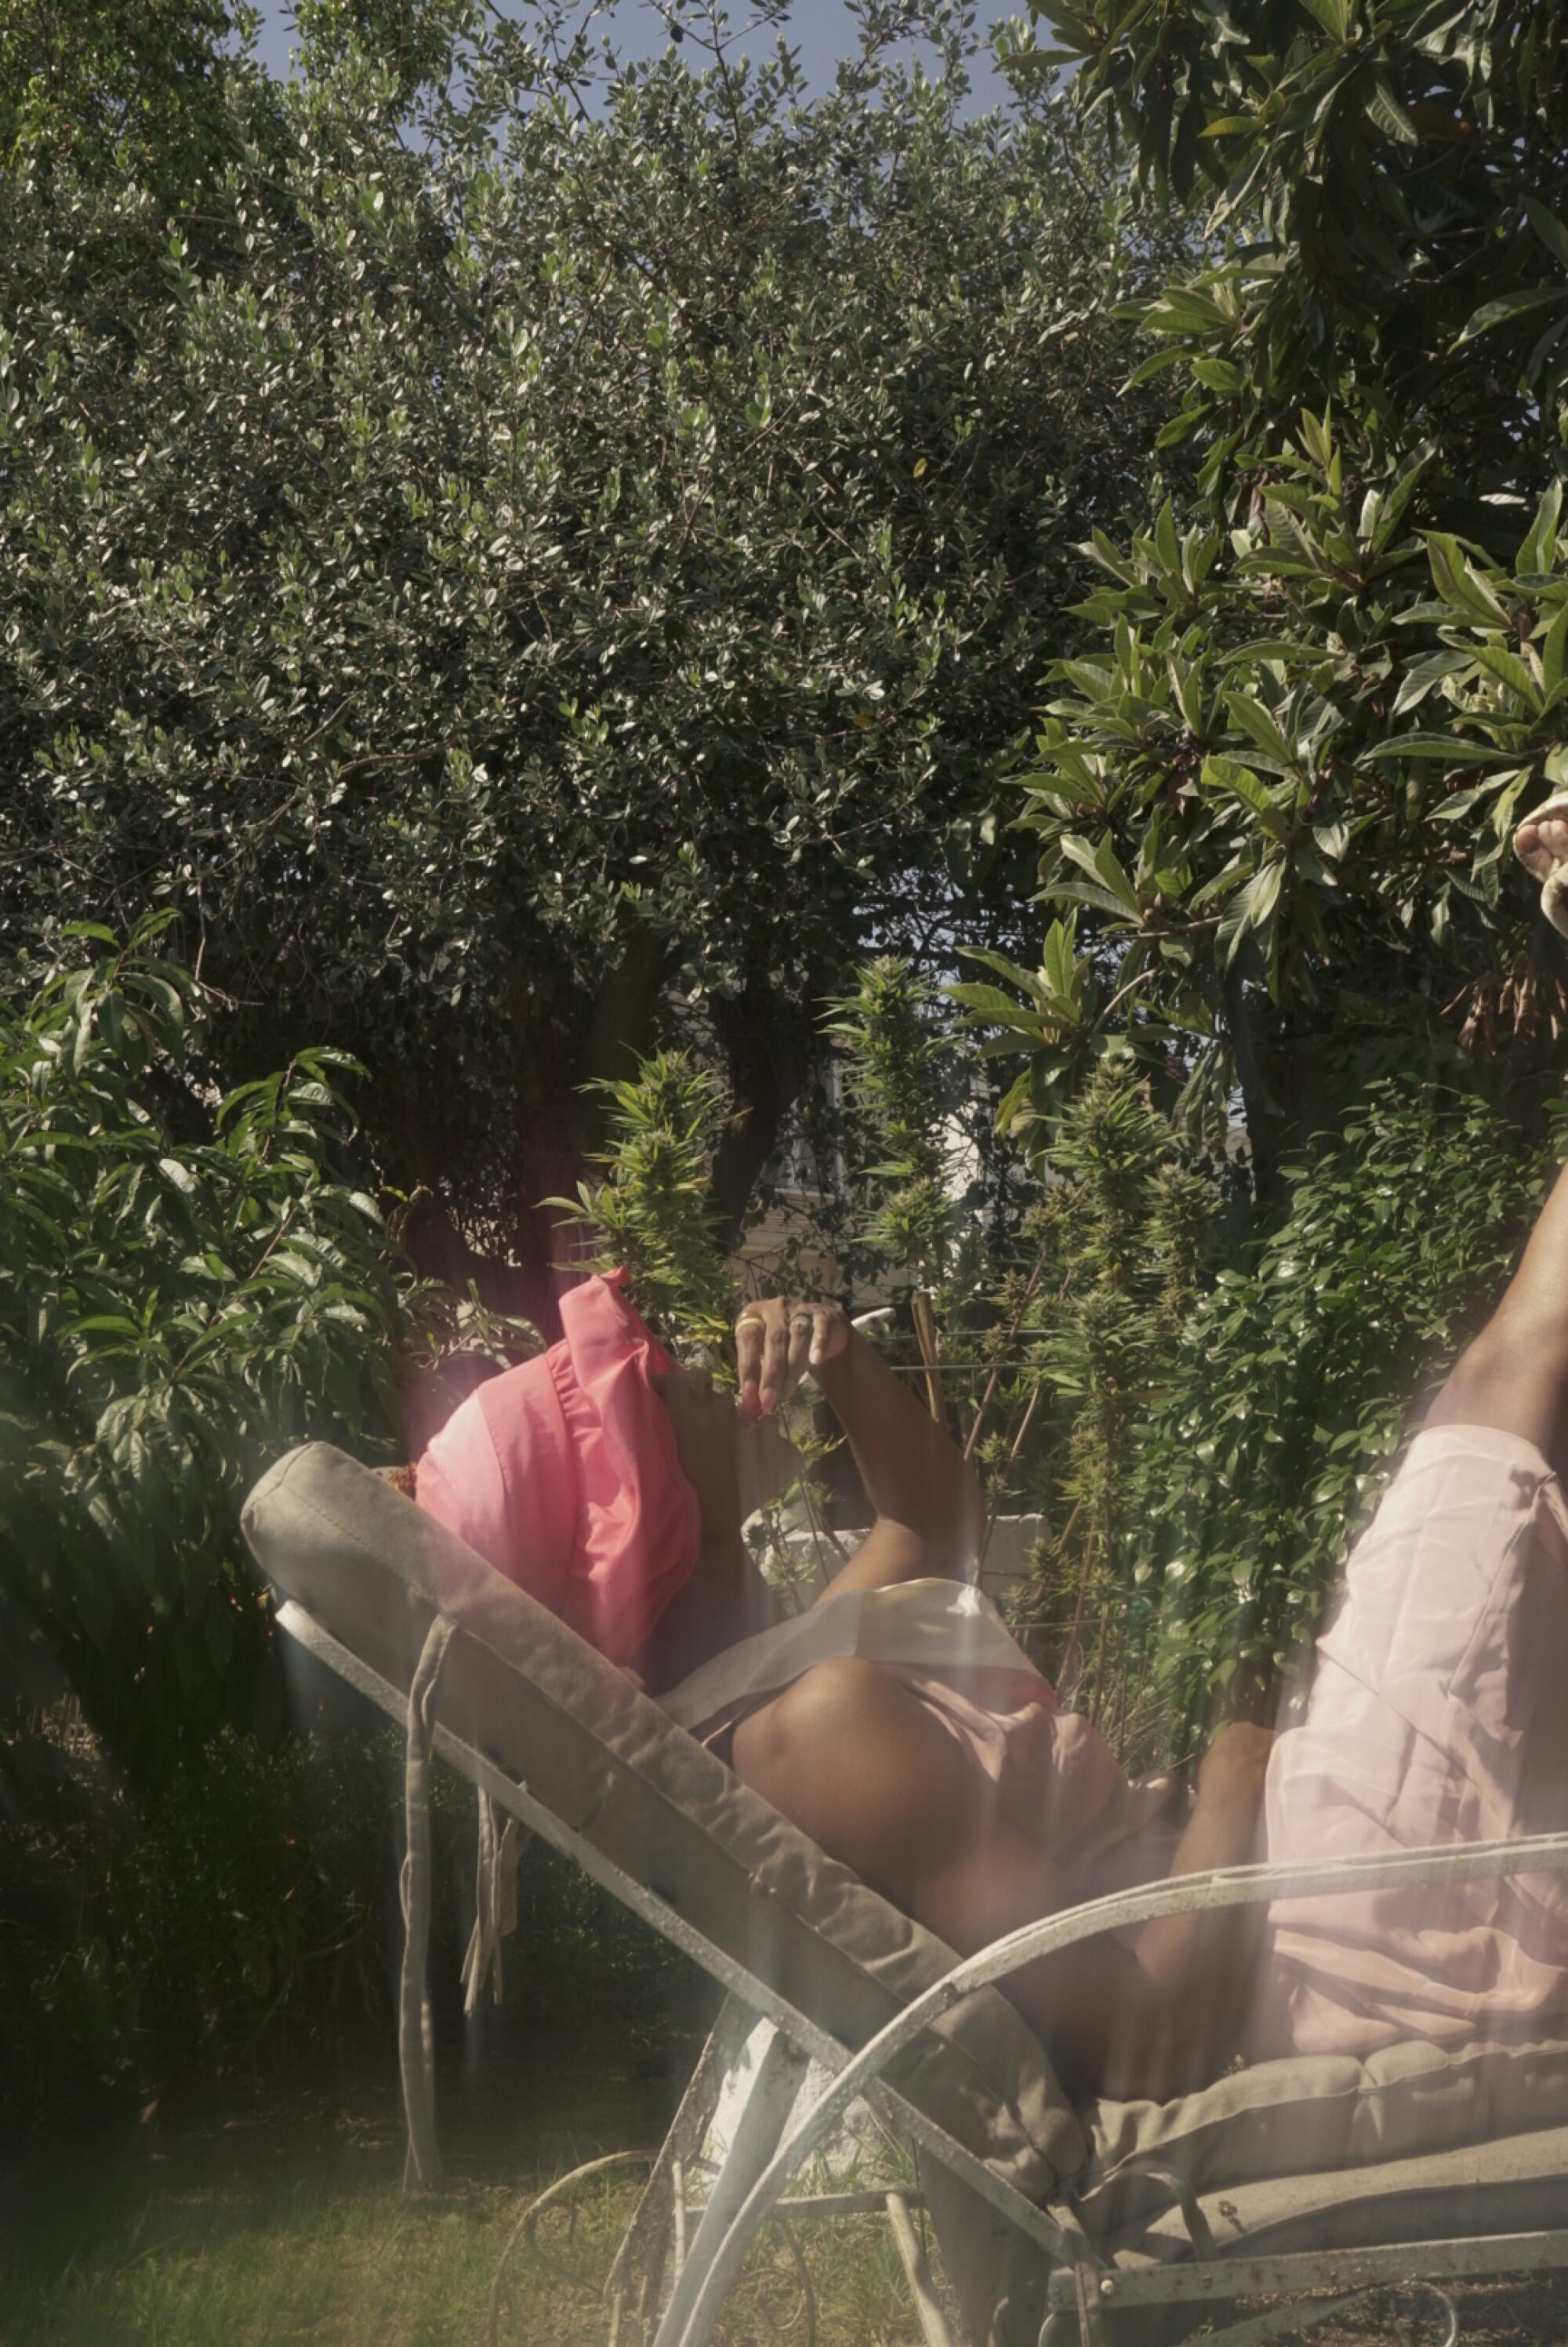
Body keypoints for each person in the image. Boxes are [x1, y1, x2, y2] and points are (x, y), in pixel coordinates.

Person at [413, 815, 1568, 2106]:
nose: (681, 1359)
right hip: (1305, 1950)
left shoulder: (783, 1681)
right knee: (1507, 1370)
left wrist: (841, 1354)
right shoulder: (815, 1730)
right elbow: (1144, 2044)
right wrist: (1238, 1771)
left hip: (1281, 1897)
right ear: (644, 1525)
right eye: (656, 1391)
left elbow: (939, 1520)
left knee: (1508, 1409)